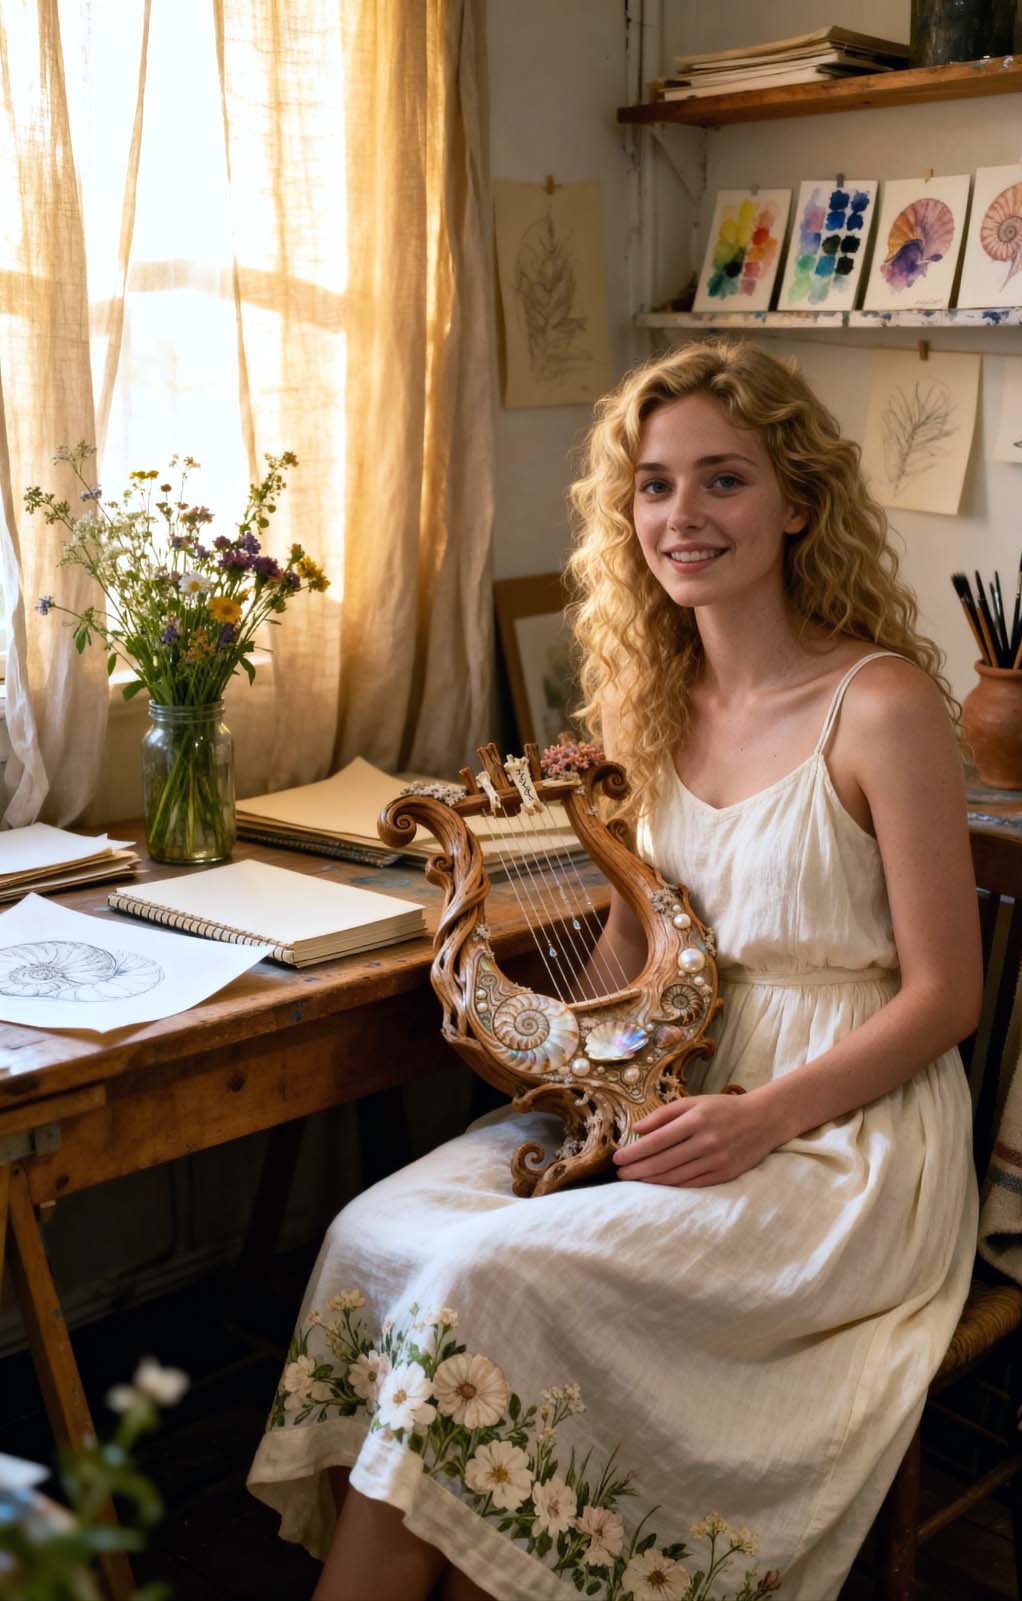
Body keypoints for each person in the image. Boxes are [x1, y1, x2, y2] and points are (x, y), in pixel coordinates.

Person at [247, 339, 982, 1601]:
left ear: (797, 501)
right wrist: (557, 967)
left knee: (493, 1280)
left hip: (839, 1137)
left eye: (723, 481)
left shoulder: (883, 705)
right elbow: (647, 958)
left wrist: (762, 1116)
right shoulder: (651, 707)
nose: (681, 516)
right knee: (375, 1229)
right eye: (652, 485)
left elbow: (945, 995)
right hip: (677, 1090)